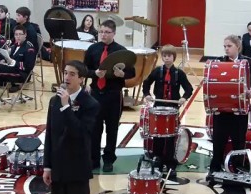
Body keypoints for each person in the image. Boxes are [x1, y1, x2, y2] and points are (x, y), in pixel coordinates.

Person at [43, 60, 99, 194]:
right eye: (65, 72)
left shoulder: (91, 104)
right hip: (58, 169)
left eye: (72, 74)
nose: (67, 77)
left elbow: (80, 133)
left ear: (81, 78)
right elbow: (50, 134)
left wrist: (66, 107)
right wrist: (47, 166)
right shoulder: (54, 101)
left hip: (77, 169)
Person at [83, 19, 135, 172]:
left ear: (114, 33)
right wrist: (94, 74)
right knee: (95, 128)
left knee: (112, 129)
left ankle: (109, 159)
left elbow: (133, 72)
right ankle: (93, 159)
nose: (103, 35)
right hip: (95, 95)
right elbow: (84, 70)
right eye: (101, 32)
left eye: (106, 32)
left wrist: (122, 74)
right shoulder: (92, 49)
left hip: (113, 95)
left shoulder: (121, 51)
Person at [207, 34, 251, 180]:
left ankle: (237, 167)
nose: (226, 49)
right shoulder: (219, 63)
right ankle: (215, 167)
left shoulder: (248, 63)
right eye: (225, 46)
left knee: (239, 141)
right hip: (221, 111)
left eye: (229, 46)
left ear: (238, 46)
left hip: (240, 111)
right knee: (218, 141)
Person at [142, 44, 194, 178]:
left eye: (169, 56)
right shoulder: (157, 71)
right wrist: (147, 94)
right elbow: (146, 83)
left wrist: (183, 98)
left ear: (174, 57)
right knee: (158, 135)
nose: (166, 58)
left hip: (173, 109)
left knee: (171, 136)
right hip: (158, 106)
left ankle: (170, 164)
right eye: (164, 56)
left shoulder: (179, 73)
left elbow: (189, 88)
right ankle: (157, 160)